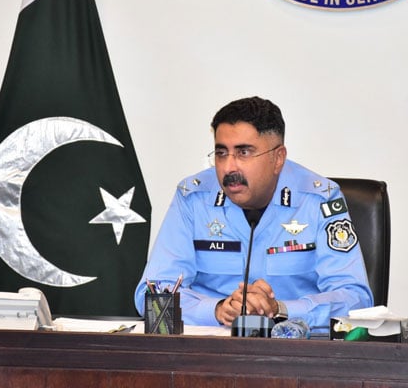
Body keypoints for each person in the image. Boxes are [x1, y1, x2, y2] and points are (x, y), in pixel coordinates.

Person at [134, 96, 373, 330]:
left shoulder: (319, 200)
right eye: (221, 153)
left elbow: (356, 300)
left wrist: (280, 309)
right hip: (209, 351)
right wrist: (217, 310)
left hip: (295, 350)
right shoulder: (193, 199)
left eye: (244, 152)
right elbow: (150, 294)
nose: (229, 167)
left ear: (278, 158)